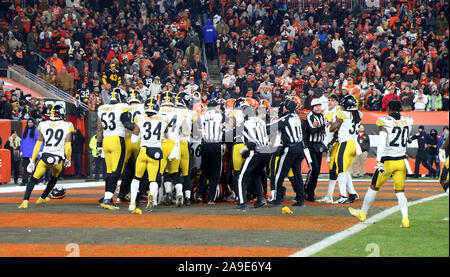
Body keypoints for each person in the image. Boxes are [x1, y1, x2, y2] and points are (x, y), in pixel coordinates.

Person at [349, 100, 414, 228]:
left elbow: (382, 141)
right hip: (401, 161)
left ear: (389, 109)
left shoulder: (385, 121)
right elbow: (406, 137)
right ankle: (405, 218)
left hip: (387, 161)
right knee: (400, 192)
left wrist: (378, 160)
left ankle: (363, 213)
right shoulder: (408, 120)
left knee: (373, 187)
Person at [18, 104, 74, 209]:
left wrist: (32, 160)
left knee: (33, 179)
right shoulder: (68, 125)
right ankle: (42, 198)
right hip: (58, 158)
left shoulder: (43, 124)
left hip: (45, 156)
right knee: (54, 178)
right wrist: (68, 159)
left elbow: (38, 144)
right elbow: (68, 146)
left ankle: (25, 201)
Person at [127, 96, 167, 213]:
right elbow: (166, 132)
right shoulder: (162, 118)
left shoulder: (140, 118)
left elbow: (134, 139)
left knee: (137, 177)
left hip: (143, 150)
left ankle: (132, 203)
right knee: (153, 180)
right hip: (155, 151)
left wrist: (139, 135)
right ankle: (152, 196)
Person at [96, 88, 135, 210]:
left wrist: (98, 144)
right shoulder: (122, 107)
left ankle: (107, 195)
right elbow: (127, 124)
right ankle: (108, 198)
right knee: (116, 172)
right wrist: (138, 127)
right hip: (117, 140)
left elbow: (99, 128)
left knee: (109, 171)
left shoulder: (102, 108)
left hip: (106, 141)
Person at [268, 98, 306, 207]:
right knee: (297, 175)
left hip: (290, 148)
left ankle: (277, 199)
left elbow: (271, 127)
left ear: (286, 107)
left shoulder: (286, 118)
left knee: (279, 173)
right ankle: (300, 200)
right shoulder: (297, 117)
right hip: (299, 148)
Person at [233, 105, 271, 210]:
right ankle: (260, 198)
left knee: (241, 177)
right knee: (256, 174)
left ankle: (242, 203)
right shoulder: (261, 121)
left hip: (256, 151)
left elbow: (249, 145)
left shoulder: (243, 124)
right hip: (267, 151)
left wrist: (242, 151)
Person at [329, 95, 362, 203]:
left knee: (341, 170)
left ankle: (343, 195)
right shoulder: (359, 114)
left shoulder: (342, 114)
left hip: (345, 144)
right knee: (345, 169)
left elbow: (332, 128)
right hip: (354, 144)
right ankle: (352, 193)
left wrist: (330, 123)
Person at [198, 99, 224, 204]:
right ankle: (211, 198)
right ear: (215, 106)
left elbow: (198, 130)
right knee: (215, 172)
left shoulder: (202, 115)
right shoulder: (220, 115)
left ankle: (200, 194)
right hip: (216, 144)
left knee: (204, 171)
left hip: (205, 145)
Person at [317, 94, 341, 203]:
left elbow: (337, 127)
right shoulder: (326, 111)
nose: (330, 102)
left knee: (335, 168)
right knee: (340, 169)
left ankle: (330, 195)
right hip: (330, 142)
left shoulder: (338, 110)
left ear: (337, 102)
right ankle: (352, 193)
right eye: (329, 100)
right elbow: (326, 128)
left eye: (333, 100)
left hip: (337, 142)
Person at [304, 98, 326, 202]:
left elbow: (325, 131)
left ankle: (311, 192)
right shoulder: (310, 116)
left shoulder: (322, 116)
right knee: (314, 169)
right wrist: (322, 126)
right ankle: (306, 190)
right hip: (310, 145)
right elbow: (312, 130)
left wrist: (322, 127)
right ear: (312, 107)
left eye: (319, 106)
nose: (318, 108)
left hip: (319, 145)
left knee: (317, 171)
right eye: (316, 106)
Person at [20, 119, 40, 186]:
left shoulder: (37, 131)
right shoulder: (24, 131)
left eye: (31, 122)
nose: (30, 123)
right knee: (25, 168)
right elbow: (22, 142)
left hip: (34, 154)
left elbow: (40, 142)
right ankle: (24, 181)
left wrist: (40, 151)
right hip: (26, 153)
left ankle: (35, 181)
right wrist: (21, 151)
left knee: (35, 168)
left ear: (34, 123)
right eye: (28, 122)